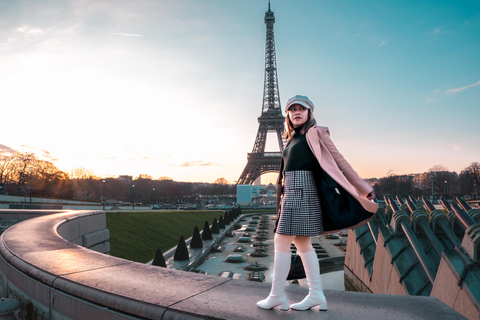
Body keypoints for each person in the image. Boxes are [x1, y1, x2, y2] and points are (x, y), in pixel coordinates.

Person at [256, 95, 378, 312]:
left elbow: (341, 162)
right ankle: (316, 295)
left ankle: (277, 295)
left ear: (310, 112)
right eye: (292, 109)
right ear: (287, 114)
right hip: (292, 192)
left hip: (303, 192)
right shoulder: (291, 138)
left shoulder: (316, 132)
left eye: (301, 108)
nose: (296, 112)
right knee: (303, 244)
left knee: (280, 241)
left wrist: (363, 187)